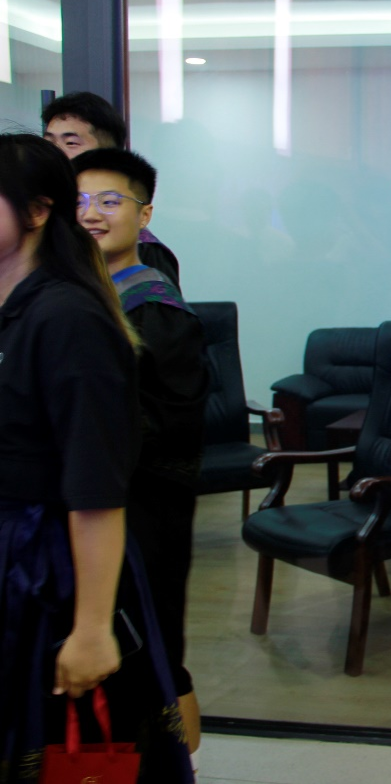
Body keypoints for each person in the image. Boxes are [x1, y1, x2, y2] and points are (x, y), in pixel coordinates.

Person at [0, 134, 192, 782]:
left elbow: (96, 483)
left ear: (36, 211)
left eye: (113, 201)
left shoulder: (72, 316)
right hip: (17, 549)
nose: (98, 213)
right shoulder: (19, 305)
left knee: (63, 745)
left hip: (52, 560)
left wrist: (90, 628)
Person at [72, 147, 208, 762]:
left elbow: (172, 421)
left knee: (149, 649)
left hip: (145, 508)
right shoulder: (73, 296)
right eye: (79, 201)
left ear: (144, 214)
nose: (91, 214)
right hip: (90, 505)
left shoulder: (155, 305)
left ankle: (173, 765)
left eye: (109, 201)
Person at [42, 92, 181, 286]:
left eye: (71, 143)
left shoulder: (144, 252)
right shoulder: (49, 227)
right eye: (49, 143)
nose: (55, 153)